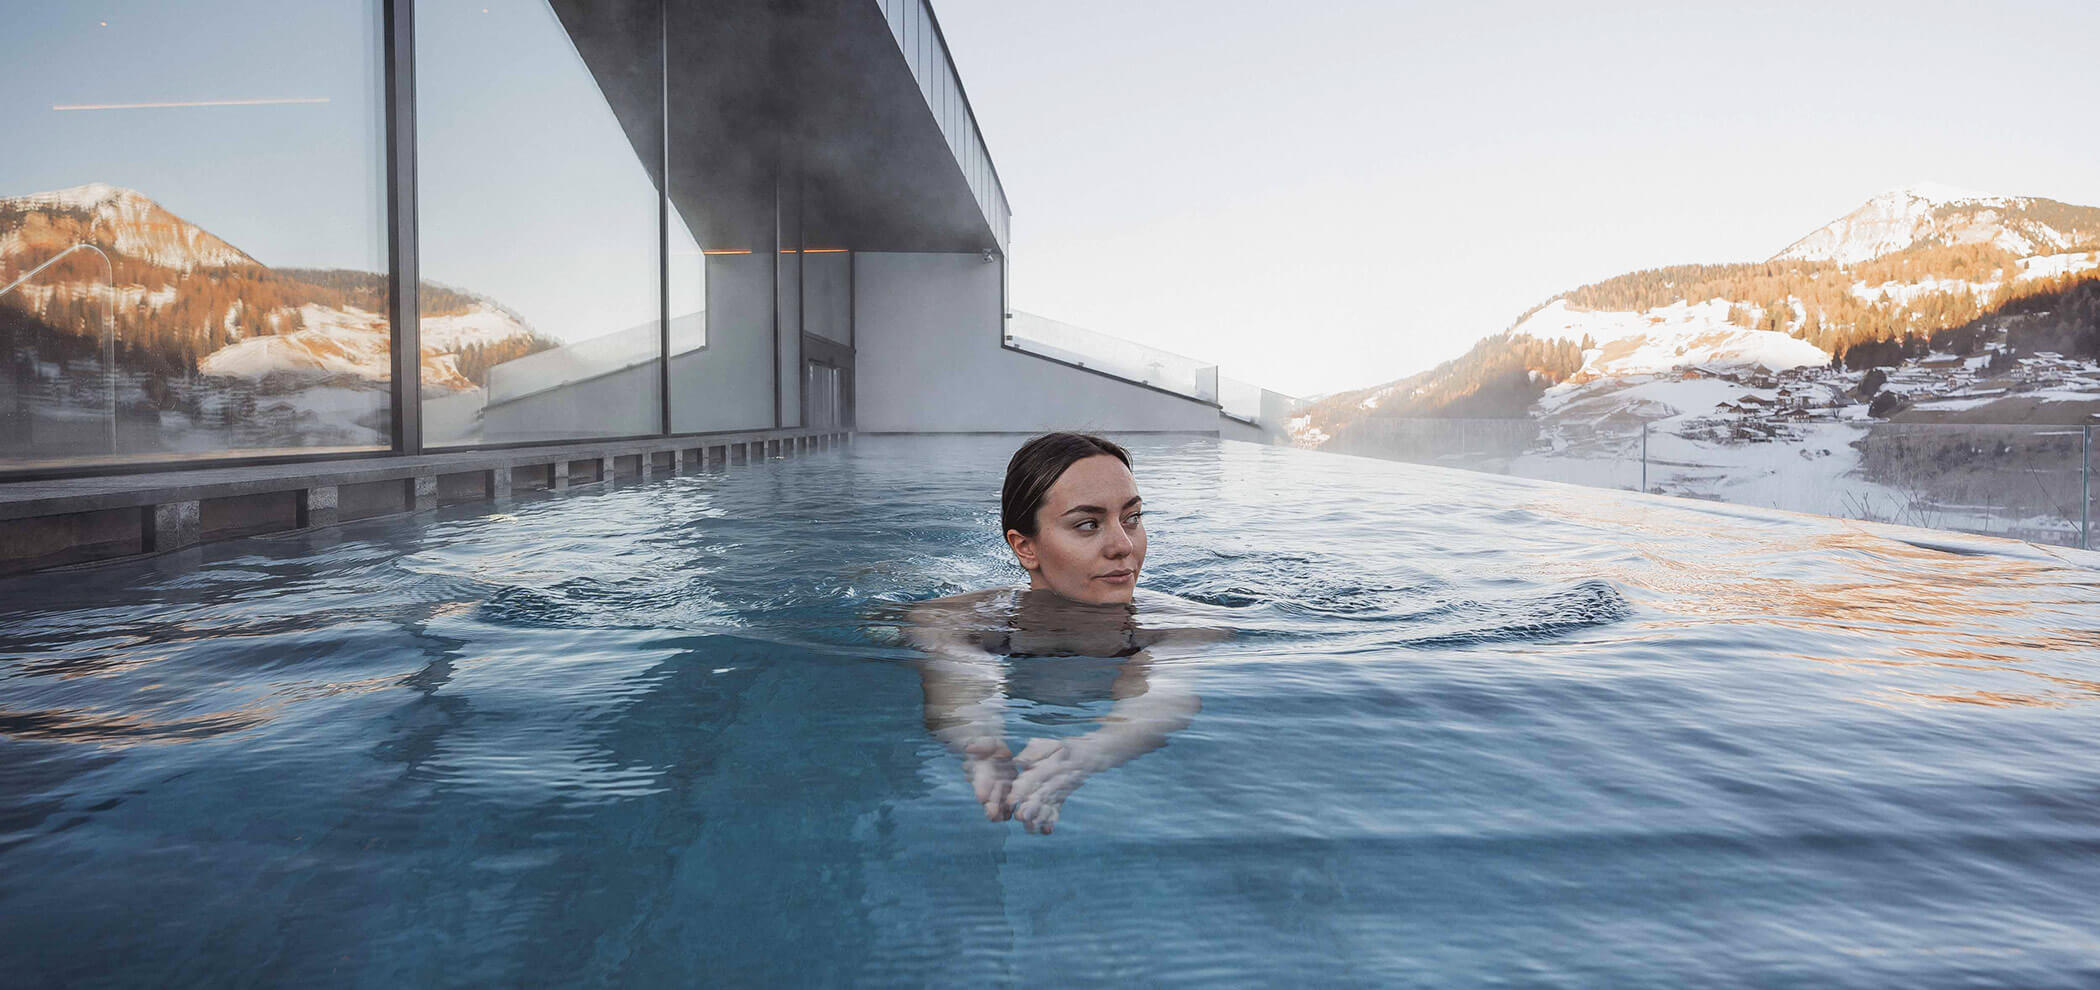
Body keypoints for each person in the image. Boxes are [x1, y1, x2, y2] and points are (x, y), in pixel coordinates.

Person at [905, 433, 1226, 834]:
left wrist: (1089, 753)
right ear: (1026, 548)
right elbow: (960, 677)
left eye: (1132, 517)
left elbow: (1165, 695)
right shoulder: (954, 618)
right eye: (1088, 524)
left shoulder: (1184, 624)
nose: (1123, 545)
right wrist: (979, 745)